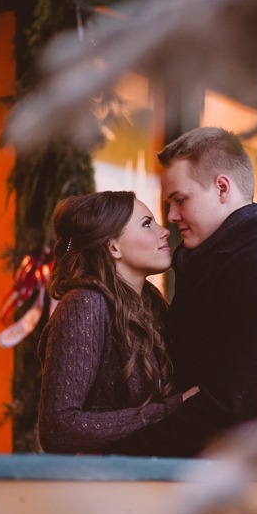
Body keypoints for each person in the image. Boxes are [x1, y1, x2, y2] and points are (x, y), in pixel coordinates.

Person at [111, 126, 257, 457]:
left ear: (222, 188)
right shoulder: (218, 262)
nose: (172, 216)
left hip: (219, 483)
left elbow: (229, 407)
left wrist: (119, 453)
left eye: (180, 200)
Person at [38, 190, 198, 454]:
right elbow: (58, 428)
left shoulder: (152, 303)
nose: (165, 231)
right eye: (147, 224)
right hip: (99, 486)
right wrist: (170, 408)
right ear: (113, 246)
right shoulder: (85, 304)